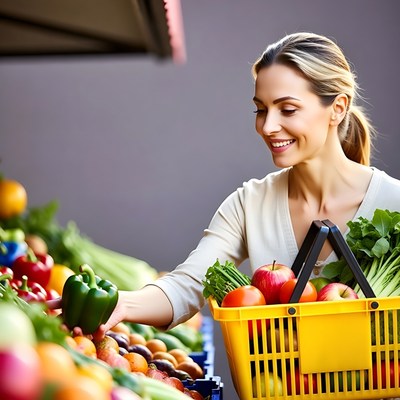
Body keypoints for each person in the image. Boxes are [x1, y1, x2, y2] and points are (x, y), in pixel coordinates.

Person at [64, 32, 400, 336]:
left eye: (287, 109)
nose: (268, 126)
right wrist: (121, 303)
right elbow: (187, 285)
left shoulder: (393, 202)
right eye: (261, 109)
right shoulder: (249, 205)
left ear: (337, 108)